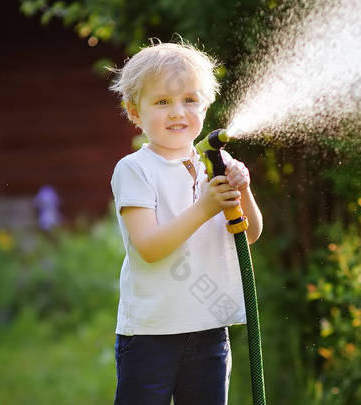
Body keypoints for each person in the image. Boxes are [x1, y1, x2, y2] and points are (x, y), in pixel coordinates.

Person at [107, 39, 263, 405]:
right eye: (162, 102)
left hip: (209, 329)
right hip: (151, 333)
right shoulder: (134, 169)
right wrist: (205, 208)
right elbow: (149, 247)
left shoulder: (215, 165)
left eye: (190, 100)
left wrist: (244, 190)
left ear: (205, 107)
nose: (178, 112)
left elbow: (250, 233)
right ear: (134, 112)